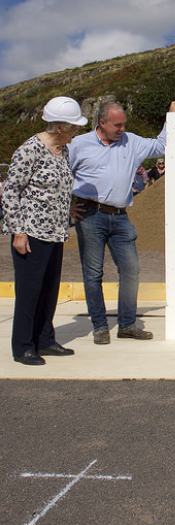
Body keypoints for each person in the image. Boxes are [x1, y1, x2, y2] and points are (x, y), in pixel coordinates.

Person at [69, 99, 175, 344]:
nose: (121, 129)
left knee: (131, 270)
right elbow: (60, 173)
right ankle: (100, 326)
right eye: (117, 125)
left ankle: (127, 325)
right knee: (93, 273)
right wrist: (67, 207)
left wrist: (169, 118)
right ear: (102, 123)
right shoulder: (79, 144)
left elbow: (161, 145)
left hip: (120, 217)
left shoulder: (131, 141)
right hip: (90, 215)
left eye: (123, 124)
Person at [2, 96, 88, 365]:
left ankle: (45, 339)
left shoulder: (64, 151)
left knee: (49, 289)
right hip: (31, 233)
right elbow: (10, 193)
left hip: (55, 232)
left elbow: (59, 188)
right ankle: (23, 346)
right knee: (30, 292)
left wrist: (67, 210)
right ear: (60, 126)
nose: (77, 132)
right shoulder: (29, 150)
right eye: (74, 127)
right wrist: (18, 231)